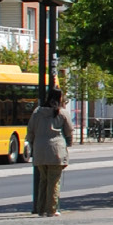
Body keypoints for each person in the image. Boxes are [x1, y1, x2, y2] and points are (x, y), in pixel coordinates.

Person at [27, 86, 74, 216]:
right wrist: (68, 143)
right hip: (56, 150)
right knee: (54, 181)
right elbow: (69, 131)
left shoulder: (37, 112)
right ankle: (52, 209)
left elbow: (30, 130)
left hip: (40, 150)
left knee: (43, 180)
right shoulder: (62, 113)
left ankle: (40, 208)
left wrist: (31, 144)